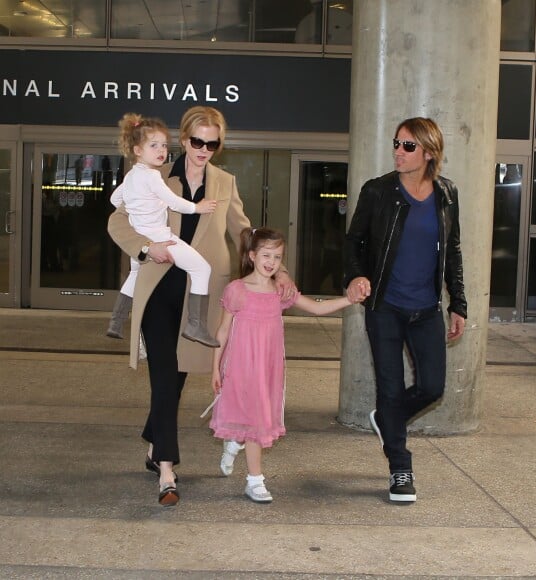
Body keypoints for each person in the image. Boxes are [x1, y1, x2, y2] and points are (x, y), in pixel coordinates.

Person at [108, 106, 296, 507]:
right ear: (184, 138)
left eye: (212, 143)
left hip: (201, 293)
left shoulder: (224, 182)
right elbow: (117, 222)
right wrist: (147, 247)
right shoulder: (155, 175)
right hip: (158, 287)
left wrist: (276, 269)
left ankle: (152, 440)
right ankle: (166, 468)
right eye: (197, 141)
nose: (204, 149)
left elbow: (245, 233)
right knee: (163, 372)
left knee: (175, 379)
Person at [344, 117, 467, 503]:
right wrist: (356, 276)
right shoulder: (378, 191)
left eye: (408, 146)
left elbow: (454, 251)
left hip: (427, 308)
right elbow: (353, 243)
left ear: (429, 153)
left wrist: (458, 303)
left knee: (432, 387)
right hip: (385, 307)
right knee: (392, 387)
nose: (399, 151)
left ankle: (386, 419)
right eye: (396, 143)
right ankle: (400, 467)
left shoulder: (447, 194)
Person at [209, 227, 358, 503]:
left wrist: (347, 300)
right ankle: (248, 468)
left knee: (255, 417)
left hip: (268, 367)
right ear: (252, 256)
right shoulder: (237, 290)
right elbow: (223, 331)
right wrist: (215, 367)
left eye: (277, 257)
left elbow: (314, 308)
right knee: (251, 417)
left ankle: (242, 457)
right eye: (266, 255)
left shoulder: (281, 291)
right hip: (241, 365)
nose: (271, 262)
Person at [106, 113, 218, 347]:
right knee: (202, 269)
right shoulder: (153, 176)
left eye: (165, 145)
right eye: (154, 145)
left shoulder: (131, 176)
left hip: (141, 238)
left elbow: (115, 198)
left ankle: (116, 322)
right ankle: (195, 325)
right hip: (159, 237)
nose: (161, 150)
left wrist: (140, 207)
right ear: (138, 150)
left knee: (134, 276)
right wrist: (197, 208)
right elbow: (173, 201)